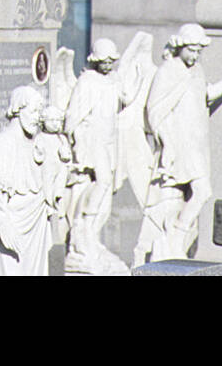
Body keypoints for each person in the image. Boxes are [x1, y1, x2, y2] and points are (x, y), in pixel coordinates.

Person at [135, 23, 222, 263]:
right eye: (192, 50)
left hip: (197, 143)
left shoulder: (197, 70)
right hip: (179, 144)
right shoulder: (168, 70)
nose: (195, 56)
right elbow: (154, 111)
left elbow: (207, 94)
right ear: (181, 46)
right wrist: (167, 143)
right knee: (197, 192)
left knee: (198, 193)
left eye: (199, 51)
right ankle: (174, 237)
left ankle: (177, 238)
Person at [63, 38, 138, 274]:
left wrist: (136, 78)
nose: (107, 65)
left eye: (110, 61)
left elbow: (123, 101)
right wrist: (77, 145)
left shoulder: (113, 79)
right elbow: (72, 117)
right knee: (102, 182)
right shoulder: (86, 81)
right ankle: (82, 226)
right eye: (104, 61)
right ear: (95, 60)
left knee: (108, 190)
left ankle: (92, 235)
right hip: (92, 141)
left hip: (109, 141)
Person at [0, 85, 51, 275]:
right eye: (33, 111)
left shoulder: (36, 145)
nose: (38, 117)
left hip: (35, 230)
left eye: (39, 112)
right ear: (18, 110)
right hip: (9, 230)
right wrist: (2, 223)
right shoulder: (1, 144)